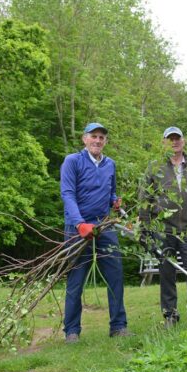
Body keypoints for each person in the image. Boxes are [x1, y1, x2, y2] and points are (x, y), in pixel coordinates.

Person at [138, 126, 187, 327]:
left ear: (184, 141)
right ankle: (170, 316)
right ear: (163, 142)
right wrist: (145, 229)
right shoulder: (154, 168)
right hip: (163, 231)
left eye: (177, 138)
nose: (174, 142)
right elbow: (144, 200)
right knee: (166, 274)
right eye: (170, 139)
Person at [60, 122, 129, 343]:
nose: (97, 141)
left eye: (101, 137)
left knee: (115, 276)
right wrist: (80, 223)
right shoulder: (73, 161)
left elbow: (111, 192)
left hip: (104, 227)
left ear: (105, 142)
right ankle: (72, 331)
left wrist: (115, 202)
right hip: (77, 228)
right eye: (94, 136)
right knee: (76, 279)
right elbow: (67, 194)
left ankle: (118, 326)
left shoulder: (110, 164)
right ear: (84, 139)